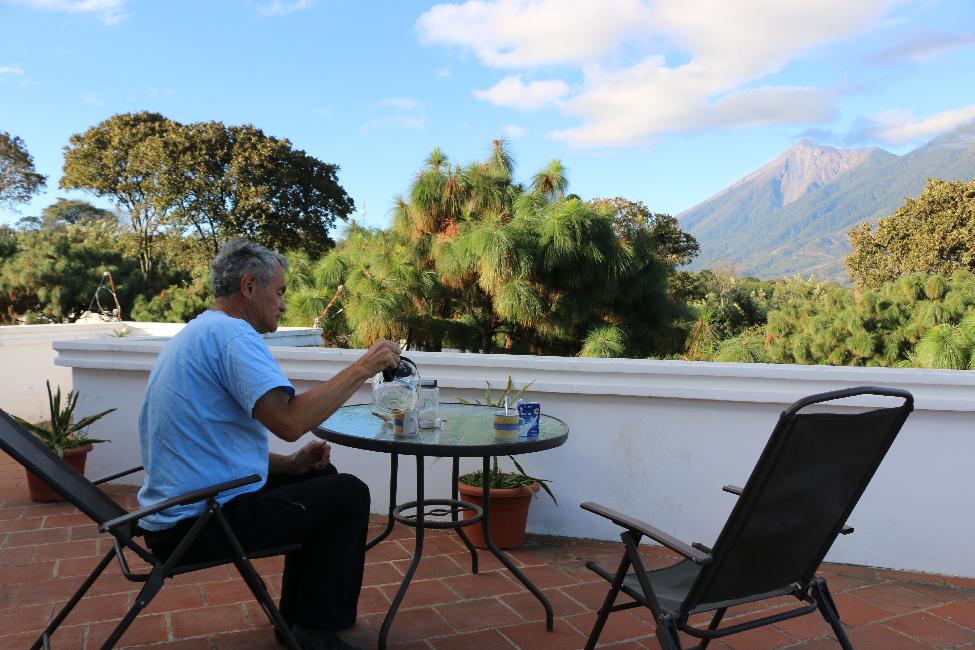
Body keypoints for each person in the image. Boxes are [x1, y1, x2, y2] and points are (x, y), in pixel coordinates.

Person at [137, 238, 400, 650]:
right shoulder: (233, 337)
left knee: (322, 478)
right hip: (199, 522)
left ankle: (297, 619)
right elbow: (290, 420)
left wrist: (290, 466)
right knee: (348, 494)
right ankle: (313, 631)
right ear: (248, 287)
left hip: (179, 510)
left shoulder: (202, 330)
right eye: (278, 292)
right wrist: (365, 366)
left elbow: (215, 444)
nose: (282, 304)